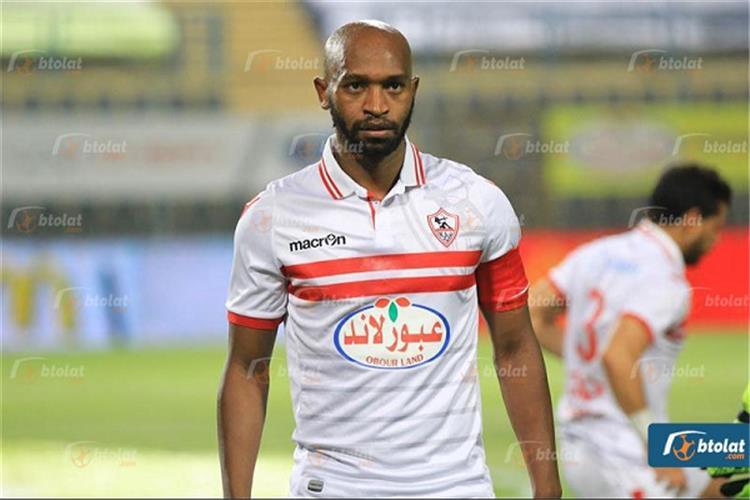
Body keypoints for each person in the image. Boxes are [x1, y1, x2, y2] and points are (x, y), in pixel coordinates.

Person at [218, 20, 561, 498]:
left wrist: (547, 485)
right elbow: (247, 369)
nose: (377, 105)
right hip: (333, 488)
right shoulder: (272, 217)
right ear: (323, 92)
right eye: (355, 85)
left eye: (393, 86)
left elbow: (515, 346)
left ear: (413, 89)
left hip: (456, 487)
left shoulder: (476, 202)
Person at [529, 163, 732, 498]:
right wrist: (657, 450)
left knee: (737, 460)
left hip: (581, 439)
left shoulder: (595, 253)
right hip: (625, 451)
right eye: (716, 227)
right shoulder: (666, 280)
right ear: (693, 219)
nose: (716, 239)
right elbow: (618, 356)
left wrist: (586, 360)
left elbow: (533, 314)